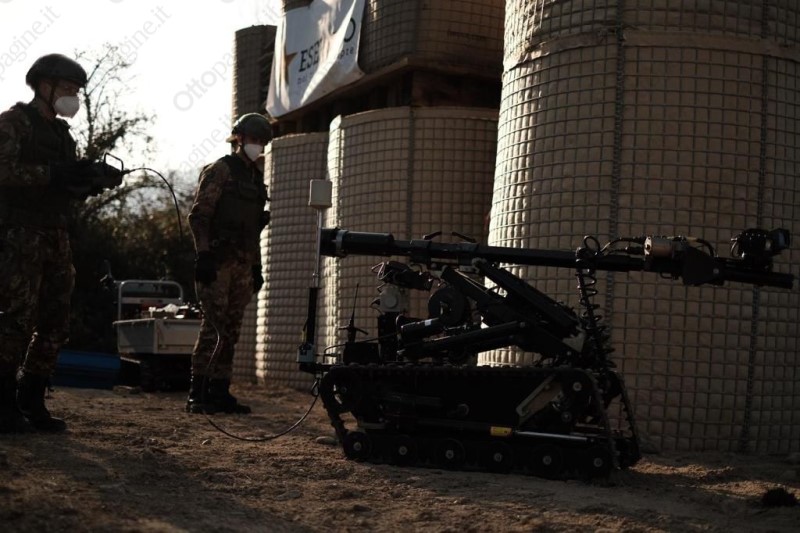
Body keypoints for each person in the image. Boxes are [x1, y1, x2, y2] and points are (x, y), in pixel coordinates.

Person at [0, 53, 123, 433]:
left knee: (55, 321)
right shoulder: (14, 123)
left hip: (56, 234)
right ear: (44, 86)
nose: (73, 97)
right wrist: (52, 173)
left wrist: (91, 181)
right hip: (19, 233)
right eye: (68, 88)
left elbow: (66, 186)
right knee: (15, 319)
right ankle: (2, 404)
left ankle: (31, 399)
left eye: (76, 91)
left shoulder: (61, 135)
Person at [186, 113, 271, 414]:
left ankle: (220, 391)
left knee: (232, 330)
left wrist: (256, 267)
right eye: (254, 139)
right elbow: (199, 216)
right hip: (218, 261)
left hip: (243, 263)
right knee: (214, 327)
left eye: (262, 141)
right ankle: (198, 393)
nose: (258, 146)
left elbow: (253, 230)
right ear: (239, 138)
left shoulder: (255, 179)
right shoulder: (221, 170)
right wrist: (203, 255)